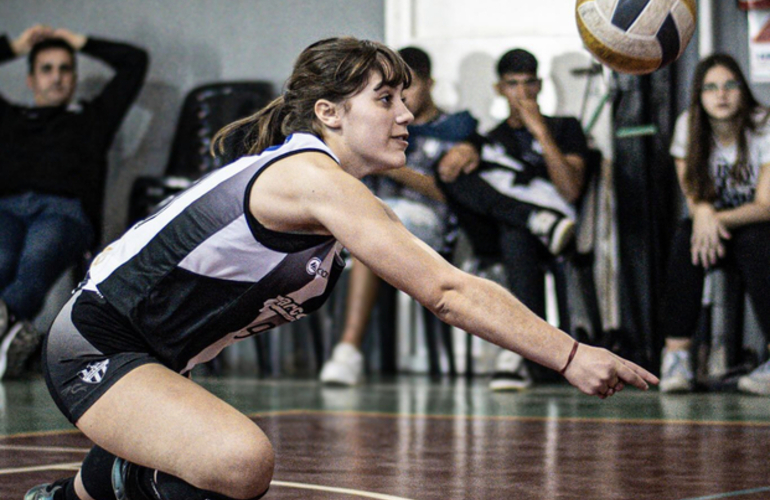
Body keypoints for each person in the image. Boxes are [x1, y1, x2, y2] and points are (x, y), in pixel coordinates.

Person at [25, 37, 657, 500]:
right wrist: (569, 354)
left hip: (154, 360)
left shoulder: (328, 192)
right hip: (95, 346)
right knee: (241, 463)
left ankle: (74, 494)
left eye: (403, 99)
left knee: (223, 464)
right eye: (385, 99)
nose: (406, 114)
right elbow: (445, 290)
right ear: (329, 113)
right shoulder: (308, 179)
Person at [319, 46, 479, 386]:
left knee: (371, 233)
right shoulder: (376, 126)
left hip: (429, 226)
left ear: (430, 83)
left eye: (409, 88)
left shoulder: (456, 127)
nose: (401, 101)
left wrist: (391, 167)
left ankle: (348, 348)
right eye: (390, 94)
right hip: (372, 217)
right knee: (352, 227)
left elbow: (451, 192)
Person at [0, 25, 148, 379]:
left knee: (37, 254)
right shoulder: (8, 119)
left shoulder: (92, 119)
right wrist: (15, 46)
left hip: (64, 212)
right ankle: (8, 338)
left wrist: (79, 41)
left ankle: (8, 331)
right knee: (1, 259)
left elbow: (134, 62)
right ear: (31, 79)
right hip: (5, 208)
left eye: (66, 68)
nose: (57, 78)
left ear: (75, 77)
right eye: (47, 69)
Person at [438, 48, 589, 391]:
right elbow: (449, 172)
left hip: (557, 230)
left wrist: (540, 131)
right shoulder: (489, 138)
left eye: (528, 84)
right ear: (499, 89)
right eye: (512, 85)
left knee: (515, 235)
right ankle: (530, 219)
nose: (521, 93)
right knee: (452, 174)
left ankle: (519, 352)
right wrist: (464, 153)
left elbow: (571, 190)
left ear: (539, 86)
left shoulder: (566, 128)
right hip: (502, 226)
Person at [657, 54, 770, 396]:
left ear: (742, 90)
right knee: (684, 239)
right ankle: (676, 358)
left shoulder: (764, 124)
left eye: (729, 85)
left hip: (756, 225)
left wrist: (711, 217)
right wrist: (702, 214)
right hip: (714, 234)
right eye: (710, 88)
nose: (721, 95)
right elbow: (693, 195)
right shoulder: (688, 125)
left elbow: (765, 206)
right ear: (699, 95)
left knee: (755, 241)